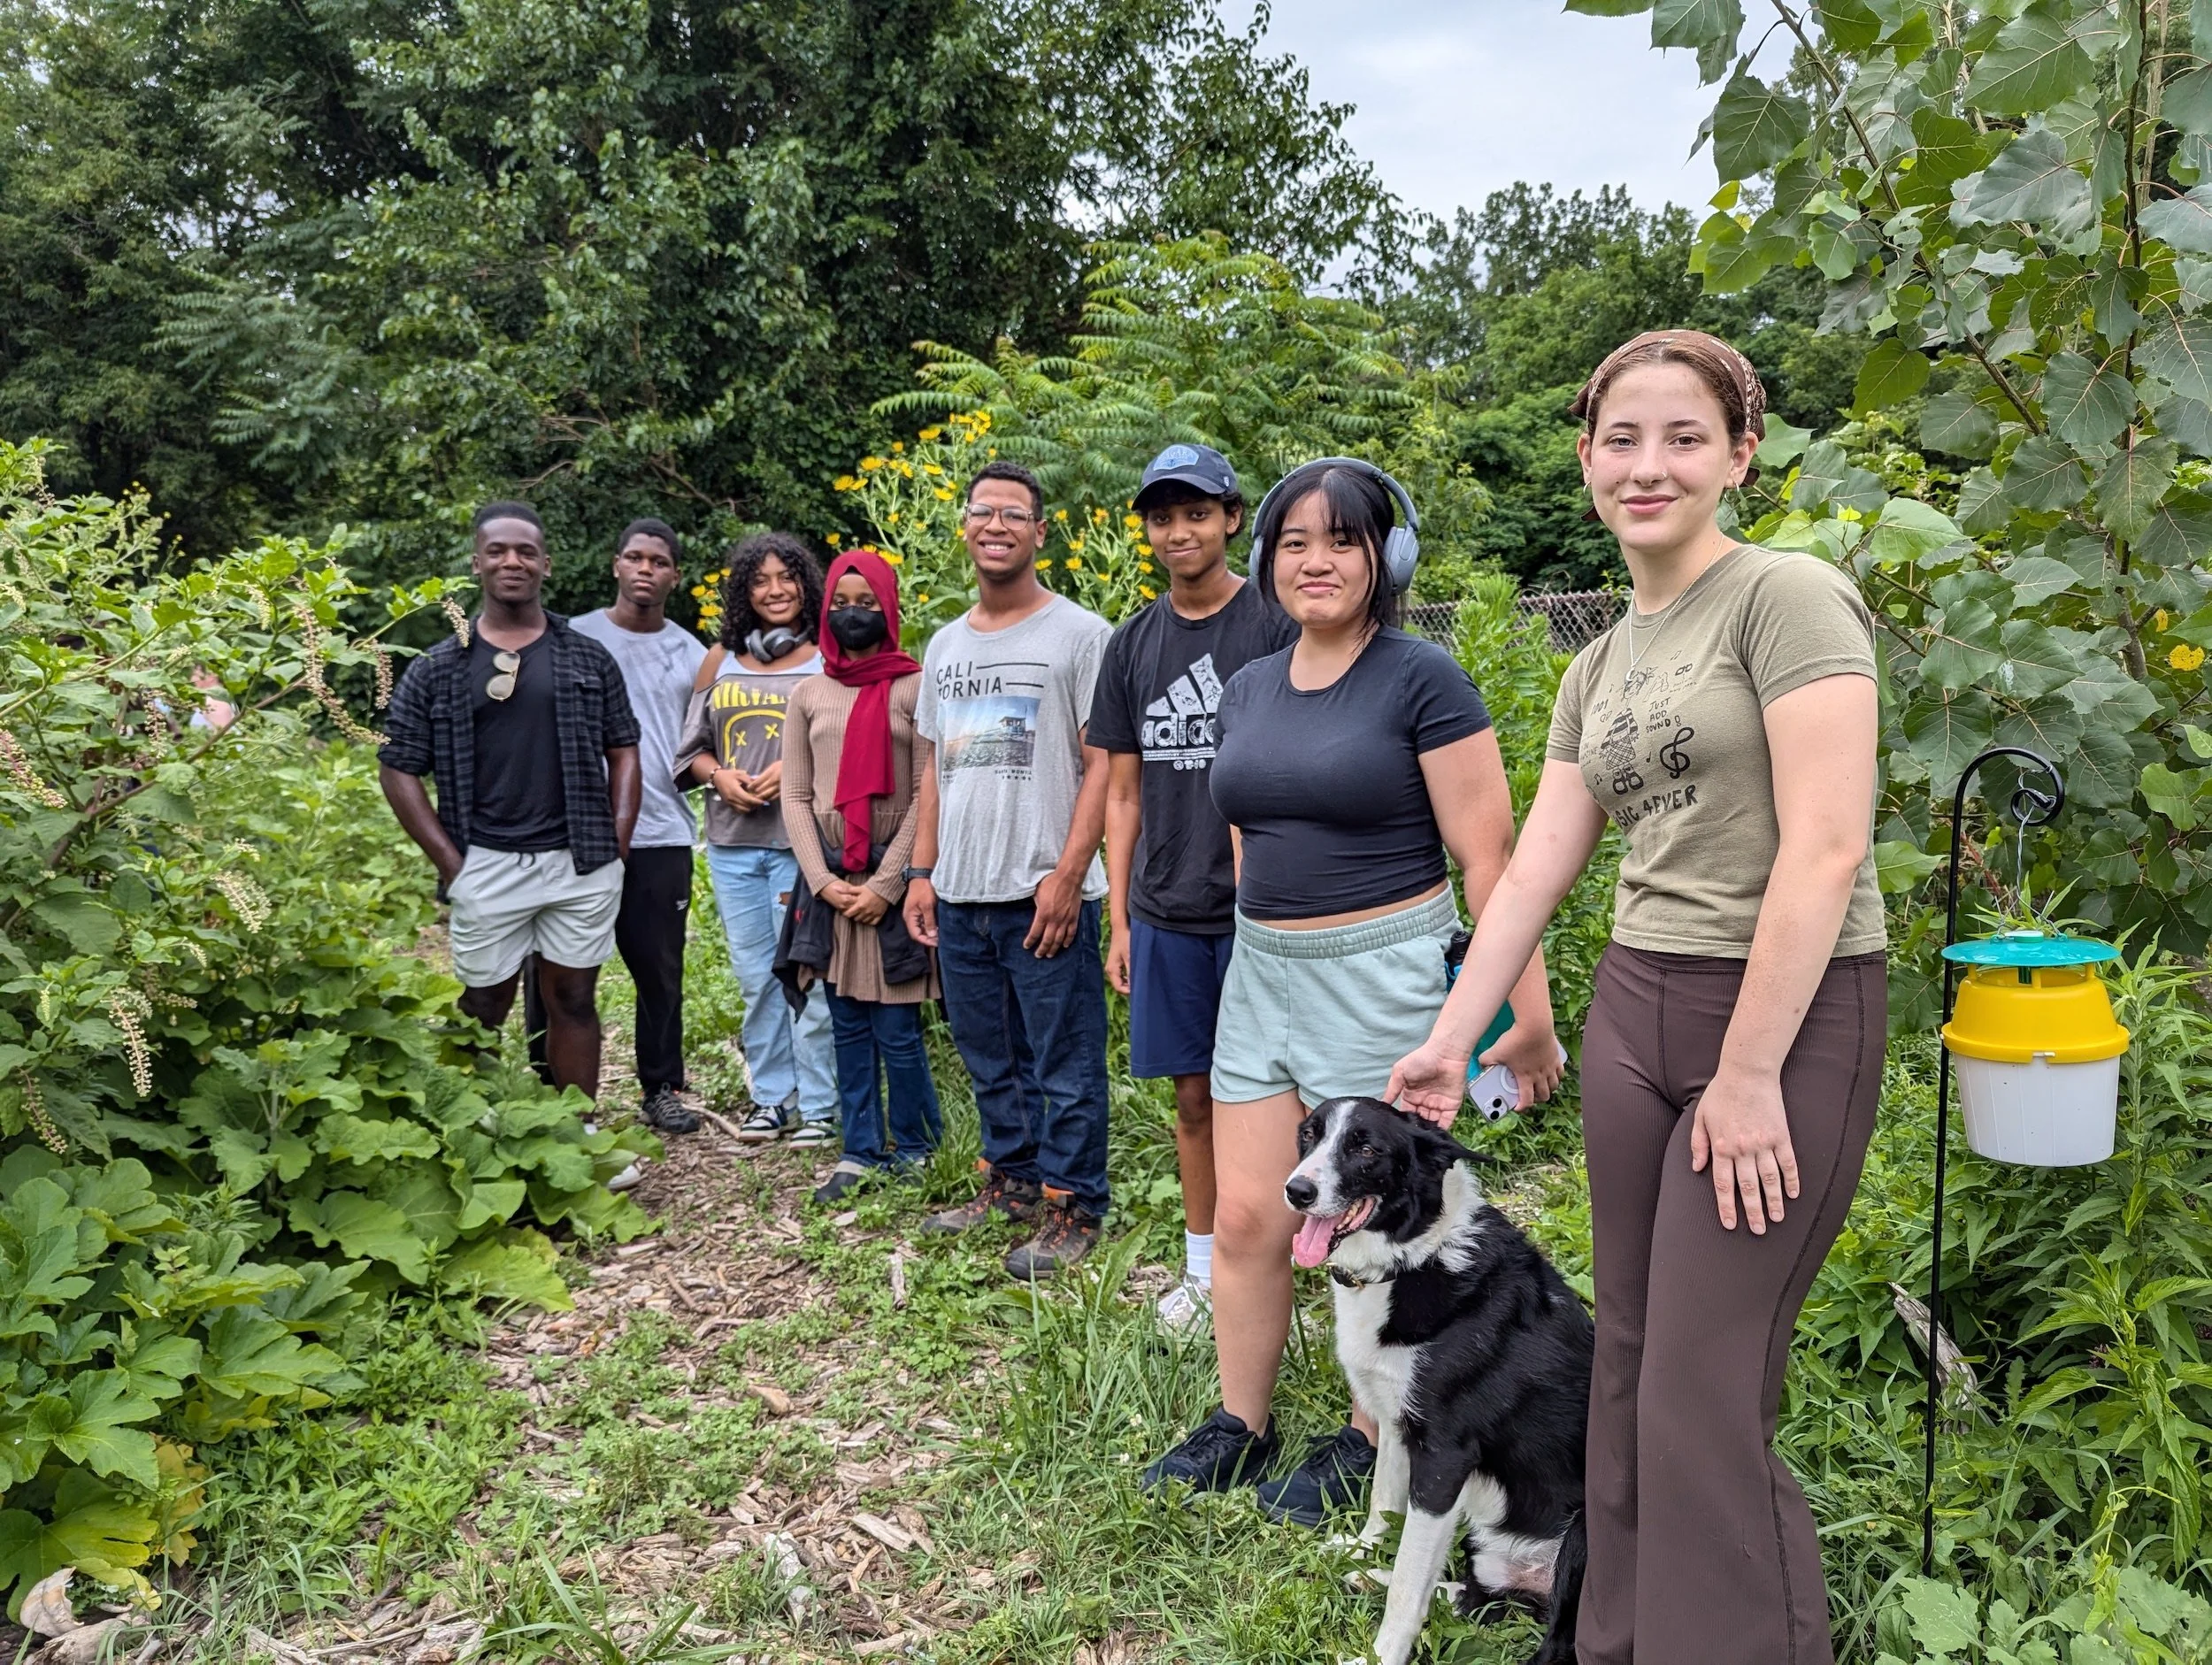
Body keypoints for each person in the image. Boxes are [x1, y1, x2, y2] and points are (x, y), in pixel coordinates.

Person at [1385, 331, 1886, 1665]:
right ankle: (1608, 1633)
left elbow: (1827, 848)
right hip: (1635, 1010)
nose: (1648, 464)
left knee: (1700, 1386)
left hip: (1784, 1015)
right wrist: (1451, 1038)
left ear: (1738, 453)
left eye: (1682, 436)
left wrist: (1748, 1071)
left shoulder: (1790, 598)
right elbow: (1538, 867)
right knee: (1625, 1358)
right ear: (1589, 458)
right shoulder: (1597, 664)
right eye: (1622, 438)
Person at [1141, 458, 1561, 1528]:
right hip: (1262, 973)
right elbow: (1247, 831)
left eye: (1342, 540)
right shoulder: (1249, 686)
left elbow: (1494, 861)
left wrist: (1525, 1016)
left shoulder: (1423, 680)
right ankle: (1241, 1420)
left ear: (1386, 557)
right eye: (1294, 542)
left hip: (1382, 972)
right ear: (1268, 557)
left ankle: (1368, 1434)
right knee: (1247, 1215)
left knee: (1369, 1224)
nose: (1314, 561)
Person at [1092, 443, 1294, 1331]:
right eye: (1162, 517)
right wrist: (1122, 915)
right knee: (1192, 1095)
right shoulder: (1132, 643)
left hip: (1273, 908)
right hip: (1170, 908)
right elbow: (1122, 788)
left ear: (1230, 518)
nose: (1179, 531)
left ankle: (1310, 1260)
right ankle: (1205, 1268)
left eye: (1196, 513)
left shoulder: (1276, 622)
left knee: (1300, 1092)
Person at [902, 460, 1114, 1280]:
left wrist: (1069, 873)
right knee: (989, 1057)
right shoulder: (946, 644)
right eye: (982, 511)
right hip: (960, 893)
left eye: (1013, 514)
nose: (996, 525)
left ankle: (1073, 1203)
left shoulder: (1080, 635)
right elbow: (934, 769)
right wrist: (923, 872)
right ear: (965, 526)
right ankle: (1013, 1184)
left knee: (1063, 1061)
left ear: (1039, 533)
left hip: (1041, 891)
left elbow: (1104, 765)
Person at [379, 500, 642, 1101]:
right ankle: (473, 1126)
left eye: (526, 550)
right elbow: (397, 769)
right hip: (485, 860)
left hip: (579, 862)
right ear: (477, 562)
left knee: (573, 998)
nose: (512, 561)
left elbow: (624, 748)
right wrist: (452, 865)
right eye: (497, 550)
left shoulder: (586, 656)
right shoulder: (438, 667)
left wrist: (616, 846)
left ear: (546, 563)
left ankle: (579, 1131)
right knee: (482, 1002)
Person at [780, 549, 941, 1206]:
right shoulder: (808, 692)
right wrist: (821, 882)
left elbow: (930, 786)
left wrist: (890, 883)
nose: (853, 615)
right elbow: (794, 794)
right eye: (841, 605)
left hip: (892, 885)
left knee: (898, 1031)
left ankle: (919, 1145)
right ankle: (859, 1150)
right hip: (832, 882)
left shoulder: (916, 685)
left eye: (867, 603)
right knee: (845, 1024)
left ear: (889, 609)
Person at [675, 533, 839, 1145]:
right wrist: (720, 775)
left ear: (806, 584)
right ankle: (773, 1097)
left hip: (804, 842)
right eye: (760, 581)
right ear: (744, 593)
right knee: (755, 976)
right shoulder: (721, 659)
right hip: (733, 842)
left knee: (809, 973)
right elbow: (690, 749)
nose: (775, 590)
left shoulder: (828, 656)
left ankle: (821, 1104)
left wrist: (797, 771)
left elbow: (849, 743)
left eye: (786, 577)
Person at [566, 518, 707, 1134]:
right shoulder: (572, 637)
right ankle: (557, 1095)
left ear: (675, 575)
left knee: (659, 971)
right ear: (616, 565)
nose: (645, 569)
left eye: (659, 561)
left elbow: (708, 744)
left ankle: (661, 1087)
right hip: (577, 834)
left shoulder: (693, 655)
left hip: (661, 833)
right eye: (635, 557)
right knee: (561, 969)